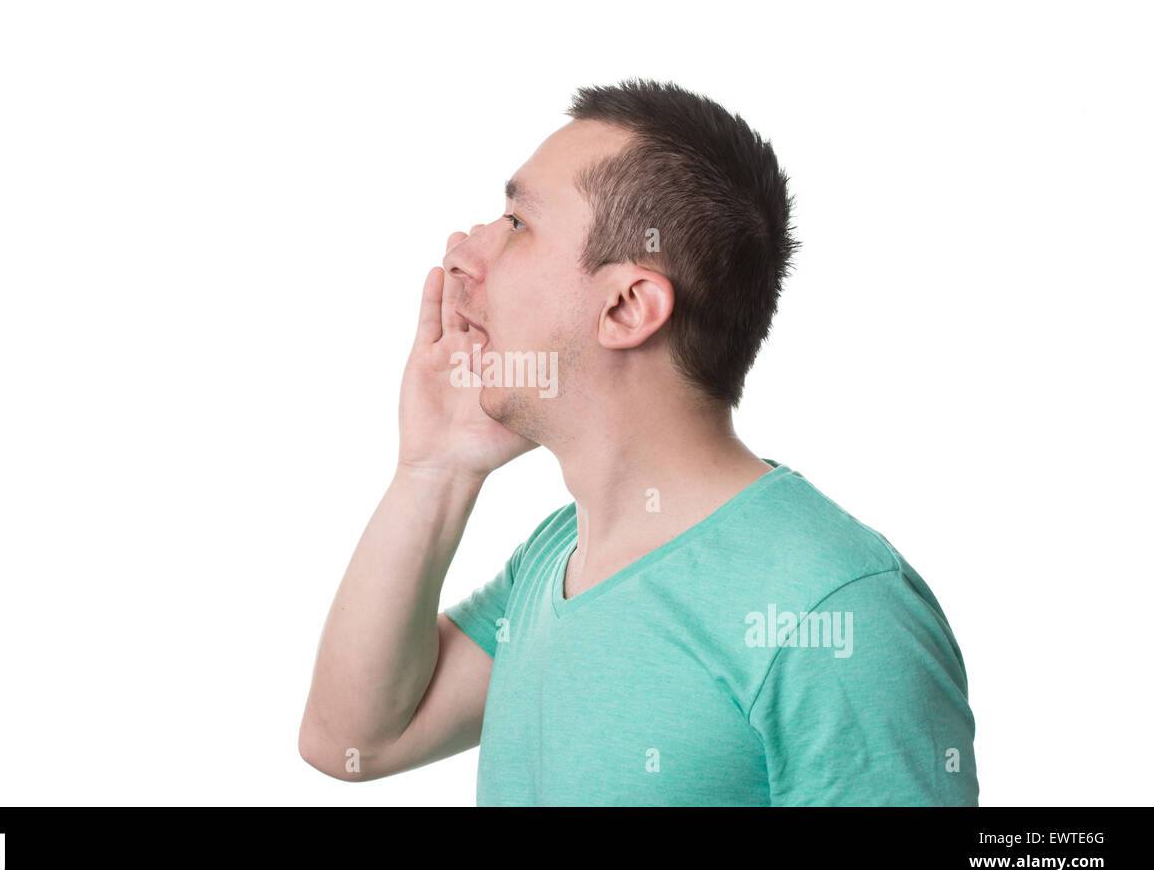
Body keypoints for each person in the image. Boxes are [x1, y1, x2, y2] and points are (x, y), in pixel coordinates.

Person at [299, 78, 978, 805]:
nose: (463, 251)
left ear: (628, 306)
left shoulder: (833, 611)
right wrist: (433, 468)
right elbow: (355, 741)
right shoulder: (556, 558)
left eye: (518, 222)